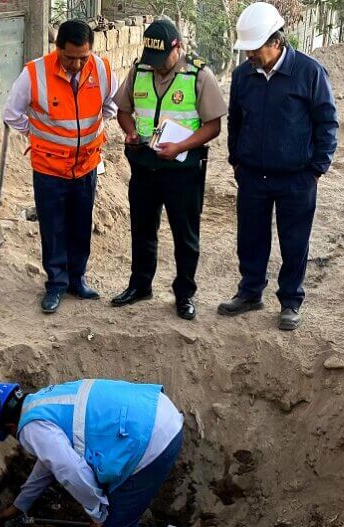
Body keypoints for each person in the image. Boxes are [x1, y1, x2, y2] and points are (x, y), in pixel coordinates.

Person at [219, 3, 338, 330]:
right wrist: (237, 160)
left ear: (276, 42)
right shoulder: (243, 76)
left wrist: (317, 168)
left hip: (297, 178)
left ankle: (290, 301)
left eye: (254, 49)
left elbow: (326, 122)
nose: (249, 56)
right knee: (250, 238)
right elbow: (236, 121)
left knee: (294, 241)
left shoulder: (309, 72)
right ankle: (250, 292)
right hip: (253, 175)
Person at [110, 19, 227, 320]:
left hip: (183, 170)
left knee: (185, 235)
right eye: (154, 60)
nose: (158, 67)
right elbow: (124, 111)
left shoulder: (199, 75)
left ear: (178, 47)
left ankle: (184, 294)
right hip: (144, 167)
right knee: (142, 229)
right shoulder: (140, 70)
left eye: (163, 60)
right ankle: (140, 285)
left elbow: (213, 126)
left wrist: (182, 146)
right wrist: (131, 131)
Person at [3, 20, 118, 314]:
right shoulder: (35, 73)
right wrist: (37, 134)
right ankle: (56, 283)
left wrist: (98, 126)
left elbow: (111, 105)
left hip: (86, 166)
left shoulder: (102, 70)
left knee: (80, 226)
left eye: (83, 57)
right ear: (58, 50)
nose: (77, 64)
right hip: (49, 169)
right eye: (70, 58)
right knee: (53, 228)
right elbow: (12, 114)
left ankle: (77, 280)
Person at [0, 379, 184, 527]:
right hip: (159, 413)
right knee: (114, 515)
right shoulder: (42, 401)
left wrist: (98, 515)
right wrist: (20, 505)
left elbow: (69, 470)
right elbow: (50, 462)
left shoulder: (30, 427)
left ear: (10, 426)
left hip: (148, 442)